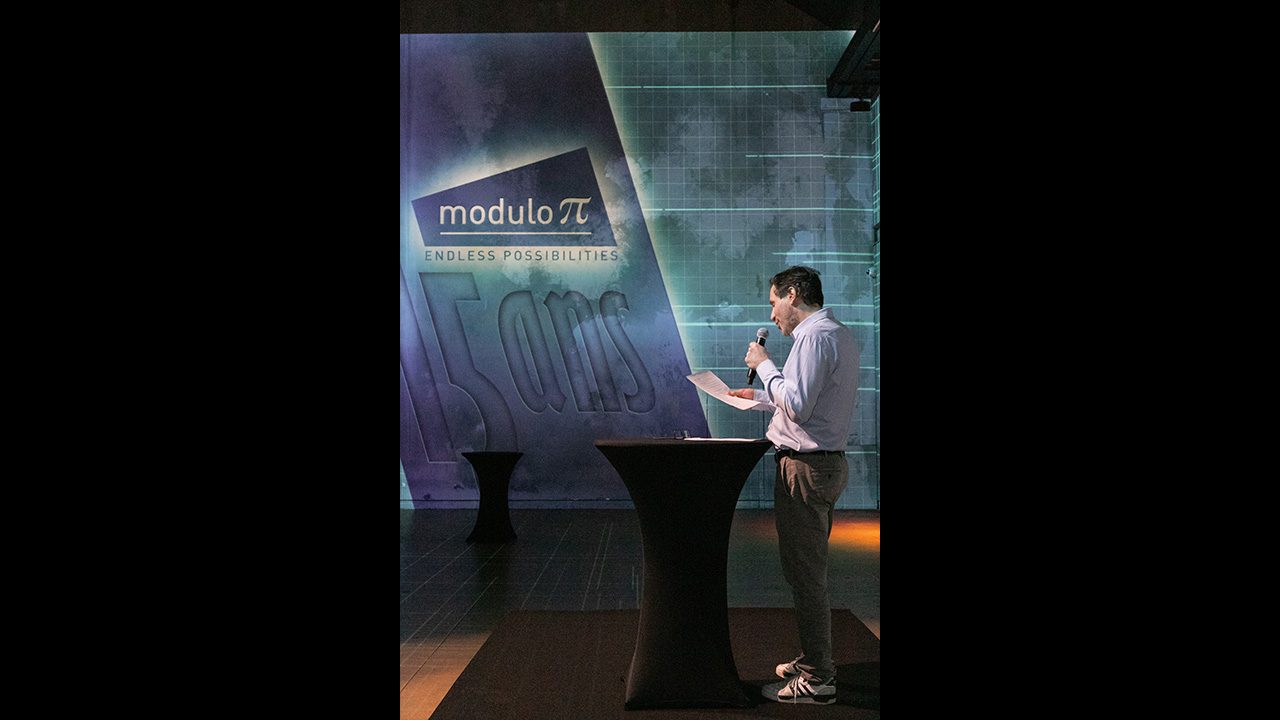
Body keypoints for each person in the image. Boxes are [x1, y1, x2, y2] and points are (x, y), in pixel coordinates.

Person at [728, 265, 860, 705]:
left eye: (773, 303)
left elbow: (800, 406)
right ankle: (812, 660)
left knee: (805, 576)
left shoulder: (813, 338)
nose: (772, 315)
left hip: (805, 469)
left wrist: (764, 366)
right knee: (807, 572)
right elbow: (808, 401)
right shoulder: (834, 333)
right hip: (821, 465)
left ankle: (818, 679)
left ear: (792, 294)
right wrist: (760, 396)